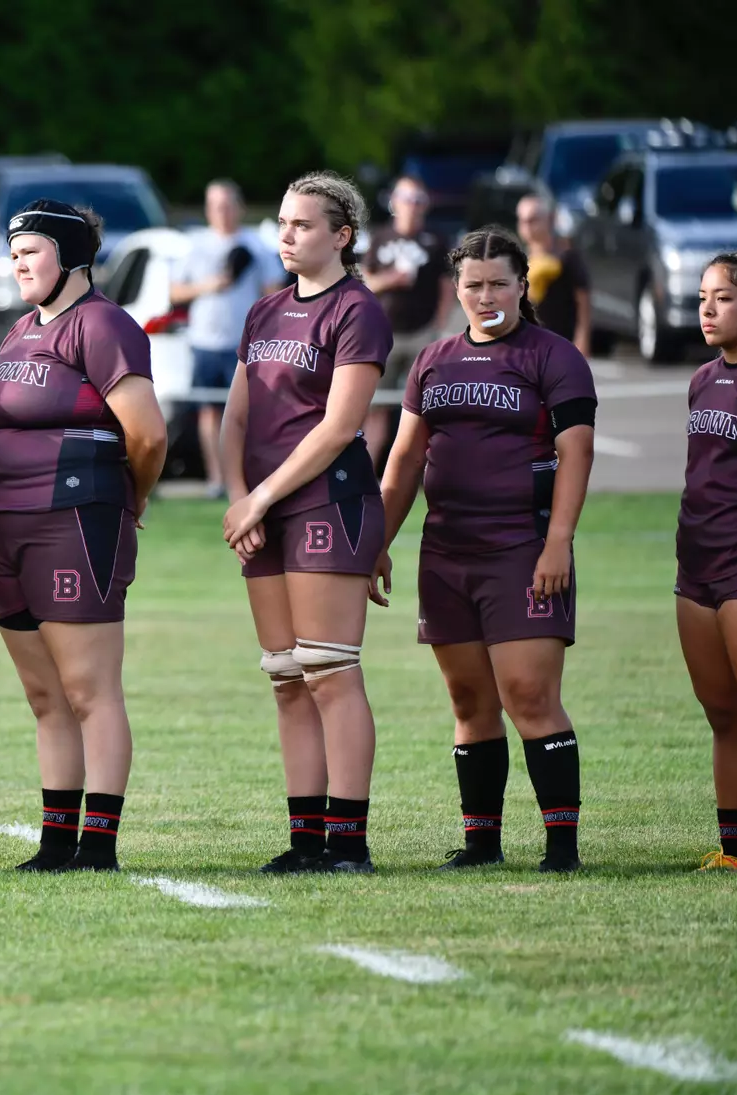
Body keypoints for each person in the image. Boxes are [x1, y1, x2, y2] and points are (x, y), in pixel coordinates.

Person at [372, 226, 596, 873]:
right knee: (469, 701)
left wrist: (558, 543)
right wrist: (379, 542)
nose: (486, 294)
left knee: (528, 695)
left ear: (524, 286)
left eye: (499, 282)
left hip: (522, 548)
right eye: (473, 284)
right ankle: (481, 845)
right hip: (447, 553)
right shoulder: (434, 359)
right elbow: (406, 458)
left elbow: (575, 451)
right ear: (457, 289)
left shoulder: (552, 356)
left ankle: (561, 849)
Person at [0, 199, 167, 874]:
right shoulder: (22, 329)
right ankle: (56, 843)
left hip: (75, 519)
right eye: (14, 251)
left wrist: (130, 496)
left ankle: (99, 845)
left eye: (30, 250)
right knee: (44, 696)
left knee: (89, 691)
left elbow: (146, 434)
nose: (17, 262)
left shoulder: (104, 325)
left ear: (69, 257)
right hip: (7, 523)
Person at [221, 170, 392, 874]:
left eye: (302, 225)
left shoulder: (357, 310)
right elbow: (237, 416)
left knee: (329, 671)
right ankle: (305, 840)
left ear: (341, 235)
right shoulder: (264, 311)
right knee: (287, 676)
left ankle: (348, 843)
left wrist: (259, 499)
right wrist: (240, 497)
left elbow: (339, 427)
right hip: (263, 512)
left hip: (328, 503)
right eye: (282, 223)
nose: (286, 235)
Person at [676, 253, 737, 872]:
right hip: (695, 567)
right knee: (722, 712)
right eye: (702, 298)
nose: (707, 309)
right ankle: (734, 851)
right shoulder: (702, 379)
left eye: (722, 297)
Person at [168, 179, 285, 498]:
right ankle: (216, 478)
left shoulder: (255, 244)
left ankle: (243, 475)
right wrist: (212, 284)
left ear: (239, 207)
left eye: (227, 205)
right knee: (209, 410)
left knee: (245, 412)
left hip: (244, 344)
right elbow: (175, 292)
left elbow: (274, 290)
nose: (222, 212)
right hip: (205, 341)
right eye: (216, 205)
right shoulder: (195, 244)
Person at [360, 177, 454, 468]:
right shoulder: (380, 237)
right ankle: (364, 471)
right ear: (394, 202)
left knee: (426, 407)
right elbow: (363, 282)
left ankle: (427, 473)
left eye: (418, 200)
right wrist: (390, 279)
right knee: (375, 406)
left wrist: (439, 326)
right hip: (385, 334)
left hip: (422, 333)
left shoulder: (436, 241)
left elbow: (447, 287)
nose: (412, 206)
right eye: (407, 199)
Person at [517, 190, 592, 357]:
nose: (527, 227)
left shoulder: (566, 256)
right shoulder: (518, 259)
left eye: (533, 220)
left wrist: (583, 338)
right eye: (523, 221)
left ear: (550, 219)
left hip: (563, 343)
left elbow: (583, 299)